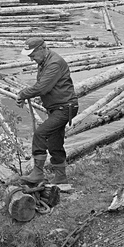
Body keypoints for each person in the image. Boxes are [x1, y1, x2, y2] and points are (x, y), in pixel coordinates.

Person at [15, 36, 78, 184]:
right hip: (58, 107)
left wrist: (23, 94)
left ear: (43, 49)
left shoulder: (54, 63)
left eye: (33, 55)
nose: (31, 59)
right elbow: (49, 86)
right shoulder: (44, 61)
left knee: (40, 134)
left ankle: (37, 173)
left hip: (65, 108)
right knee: (54, 142)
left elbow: (43, 86)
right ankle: (61, 177)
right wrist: (40, 97)